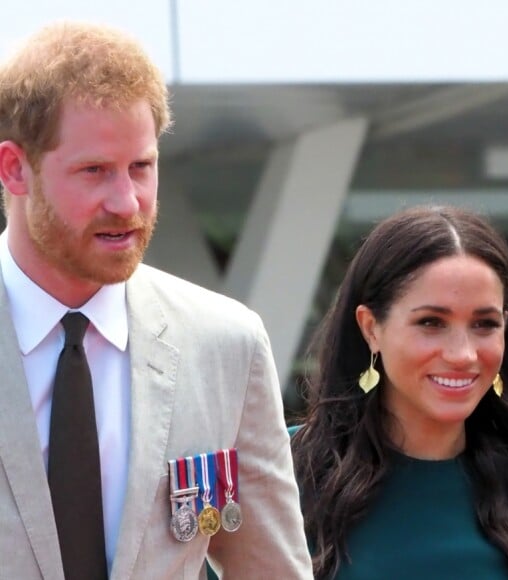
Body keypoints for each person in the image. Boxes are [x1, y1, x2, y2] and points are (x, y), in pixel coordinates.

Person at [0, 21, 312, 579]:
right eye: (94, 171)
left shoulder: (224, 345)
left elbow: (272, 570)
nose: (127, 201)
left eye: (141, 167)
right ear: (14, 169)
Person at [290, 205, 508, 579]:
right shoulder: (280, 477)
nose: (462, 354)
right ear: (370, 327)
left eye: (484, 324)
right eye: (431, 322)